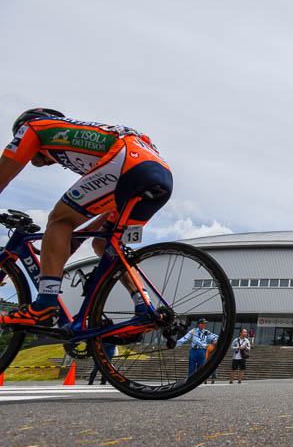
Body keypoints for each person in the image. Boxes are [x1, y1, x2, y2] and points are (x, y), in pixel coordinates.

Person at [0, 109, 173, 327]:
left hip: (127, 160)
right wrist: (78, 236)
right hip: (159, 172)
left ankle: (44, 305)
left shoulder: (35, 127)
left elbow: (2, 177)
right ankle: (143, 307)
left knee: (59, 220)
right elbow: (107, 201)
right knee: (103, 243)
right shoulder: (79, 144)